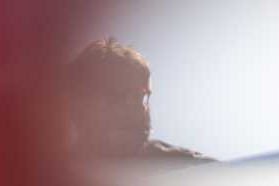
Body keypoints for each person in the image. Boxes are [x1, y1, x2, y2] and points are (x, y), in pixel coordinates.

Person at [63, 37, 211, 164]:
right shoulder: (49, 179)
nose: (135, 109)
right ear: (79, 107)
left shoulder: (189, 167)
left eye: (139, 97)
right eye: (116, 97)